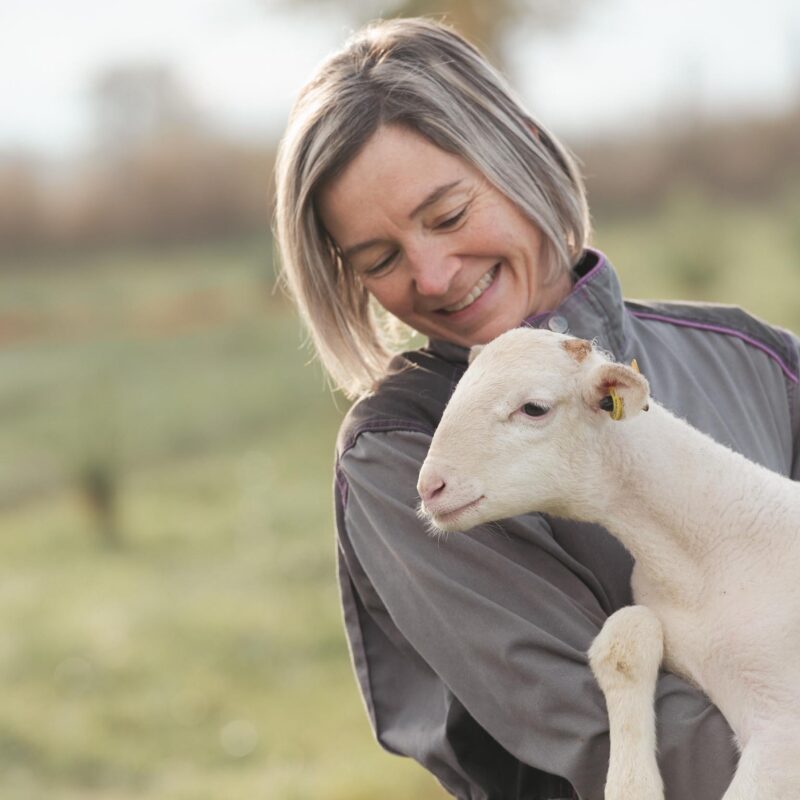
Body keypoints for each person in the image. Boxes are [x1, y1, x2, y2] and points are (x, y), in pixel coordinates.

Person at [274, 17, 800, 800]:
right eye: (379, 259)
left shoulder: (750, 358)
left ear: (519, 148)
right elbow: (601, 732)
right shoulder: (399, 459)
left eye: (448, 215)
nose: (434, 274)